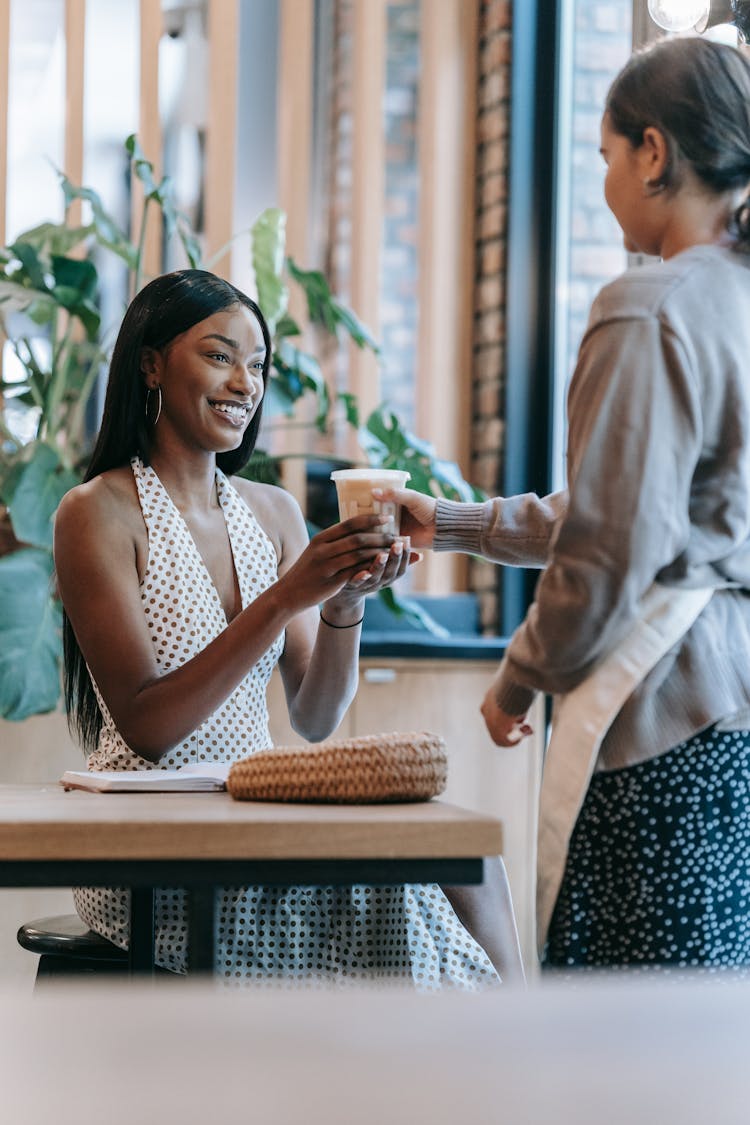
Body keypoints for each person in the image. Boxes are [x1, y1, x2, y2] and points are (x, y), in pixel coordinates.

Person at [382, 36, 750, 972]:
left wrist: (520, 674)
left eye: (604, 156)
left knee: (628, 1030)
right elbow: (632, 511)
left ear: (654, 152)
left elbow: (610, 549)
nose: (604, 182)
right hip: (737, 709)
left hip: (664, 709)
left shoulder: (648, 305)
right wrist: (457, 521)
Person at [55, 267, 523, 987]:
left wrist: (343, 603)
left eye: (258, 365)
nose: (245, 382)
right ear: (150, 362)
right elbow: (149, 726)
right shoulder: (97, 512)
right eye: (218, 355)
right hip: (150, 847)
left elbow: (314, 715)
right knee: (397, 897)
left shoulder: (271, 511)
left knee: (469, 857)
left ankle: (512, 1064)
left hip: (257, 815)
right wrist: (282, 597)